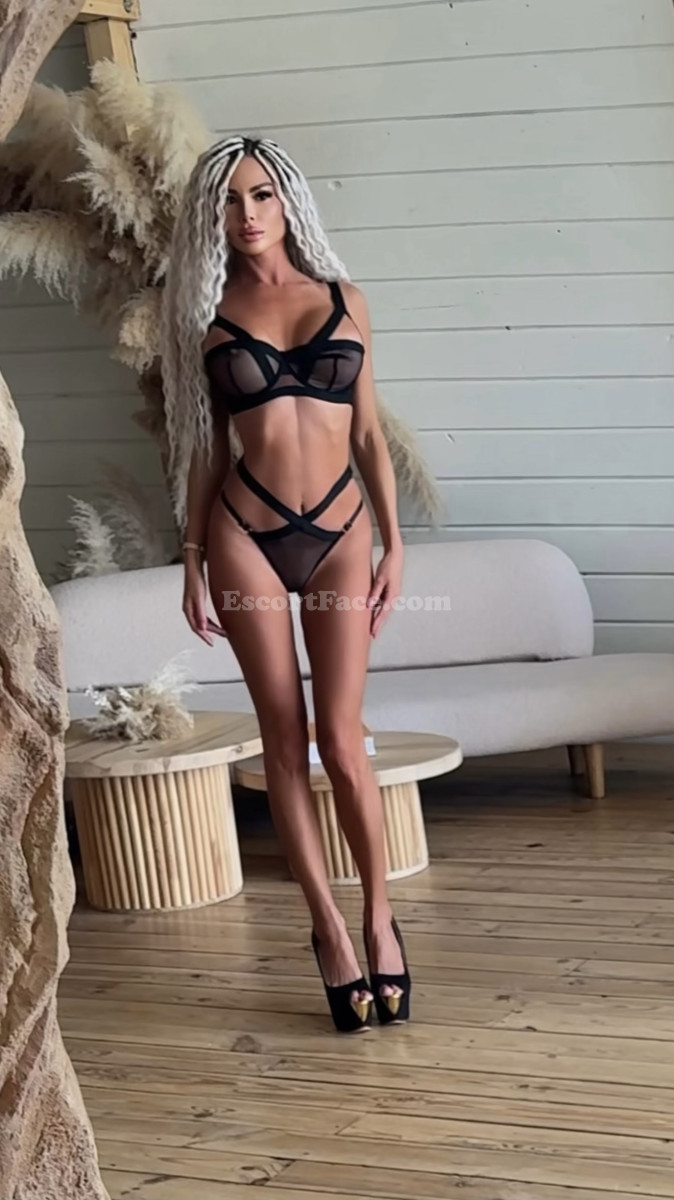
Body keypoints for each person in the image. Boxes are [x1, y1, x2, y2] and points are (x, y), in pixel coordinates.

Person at [160, 134, 410, 1033]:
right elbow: (203, 446)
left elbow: (369, 434)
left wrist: (395, 546)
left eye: (260, 194)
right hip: (246, 534)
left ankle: (379, 920)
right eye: (228, 200)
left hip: (340, 533)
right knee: (283, 737)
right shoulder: (202, 312)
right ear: (210, 215)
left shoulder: (345, 299)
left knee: (341, 741)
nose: (247, 214)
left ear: (287, 200)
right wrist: (192, 555)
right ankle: (330, 933)